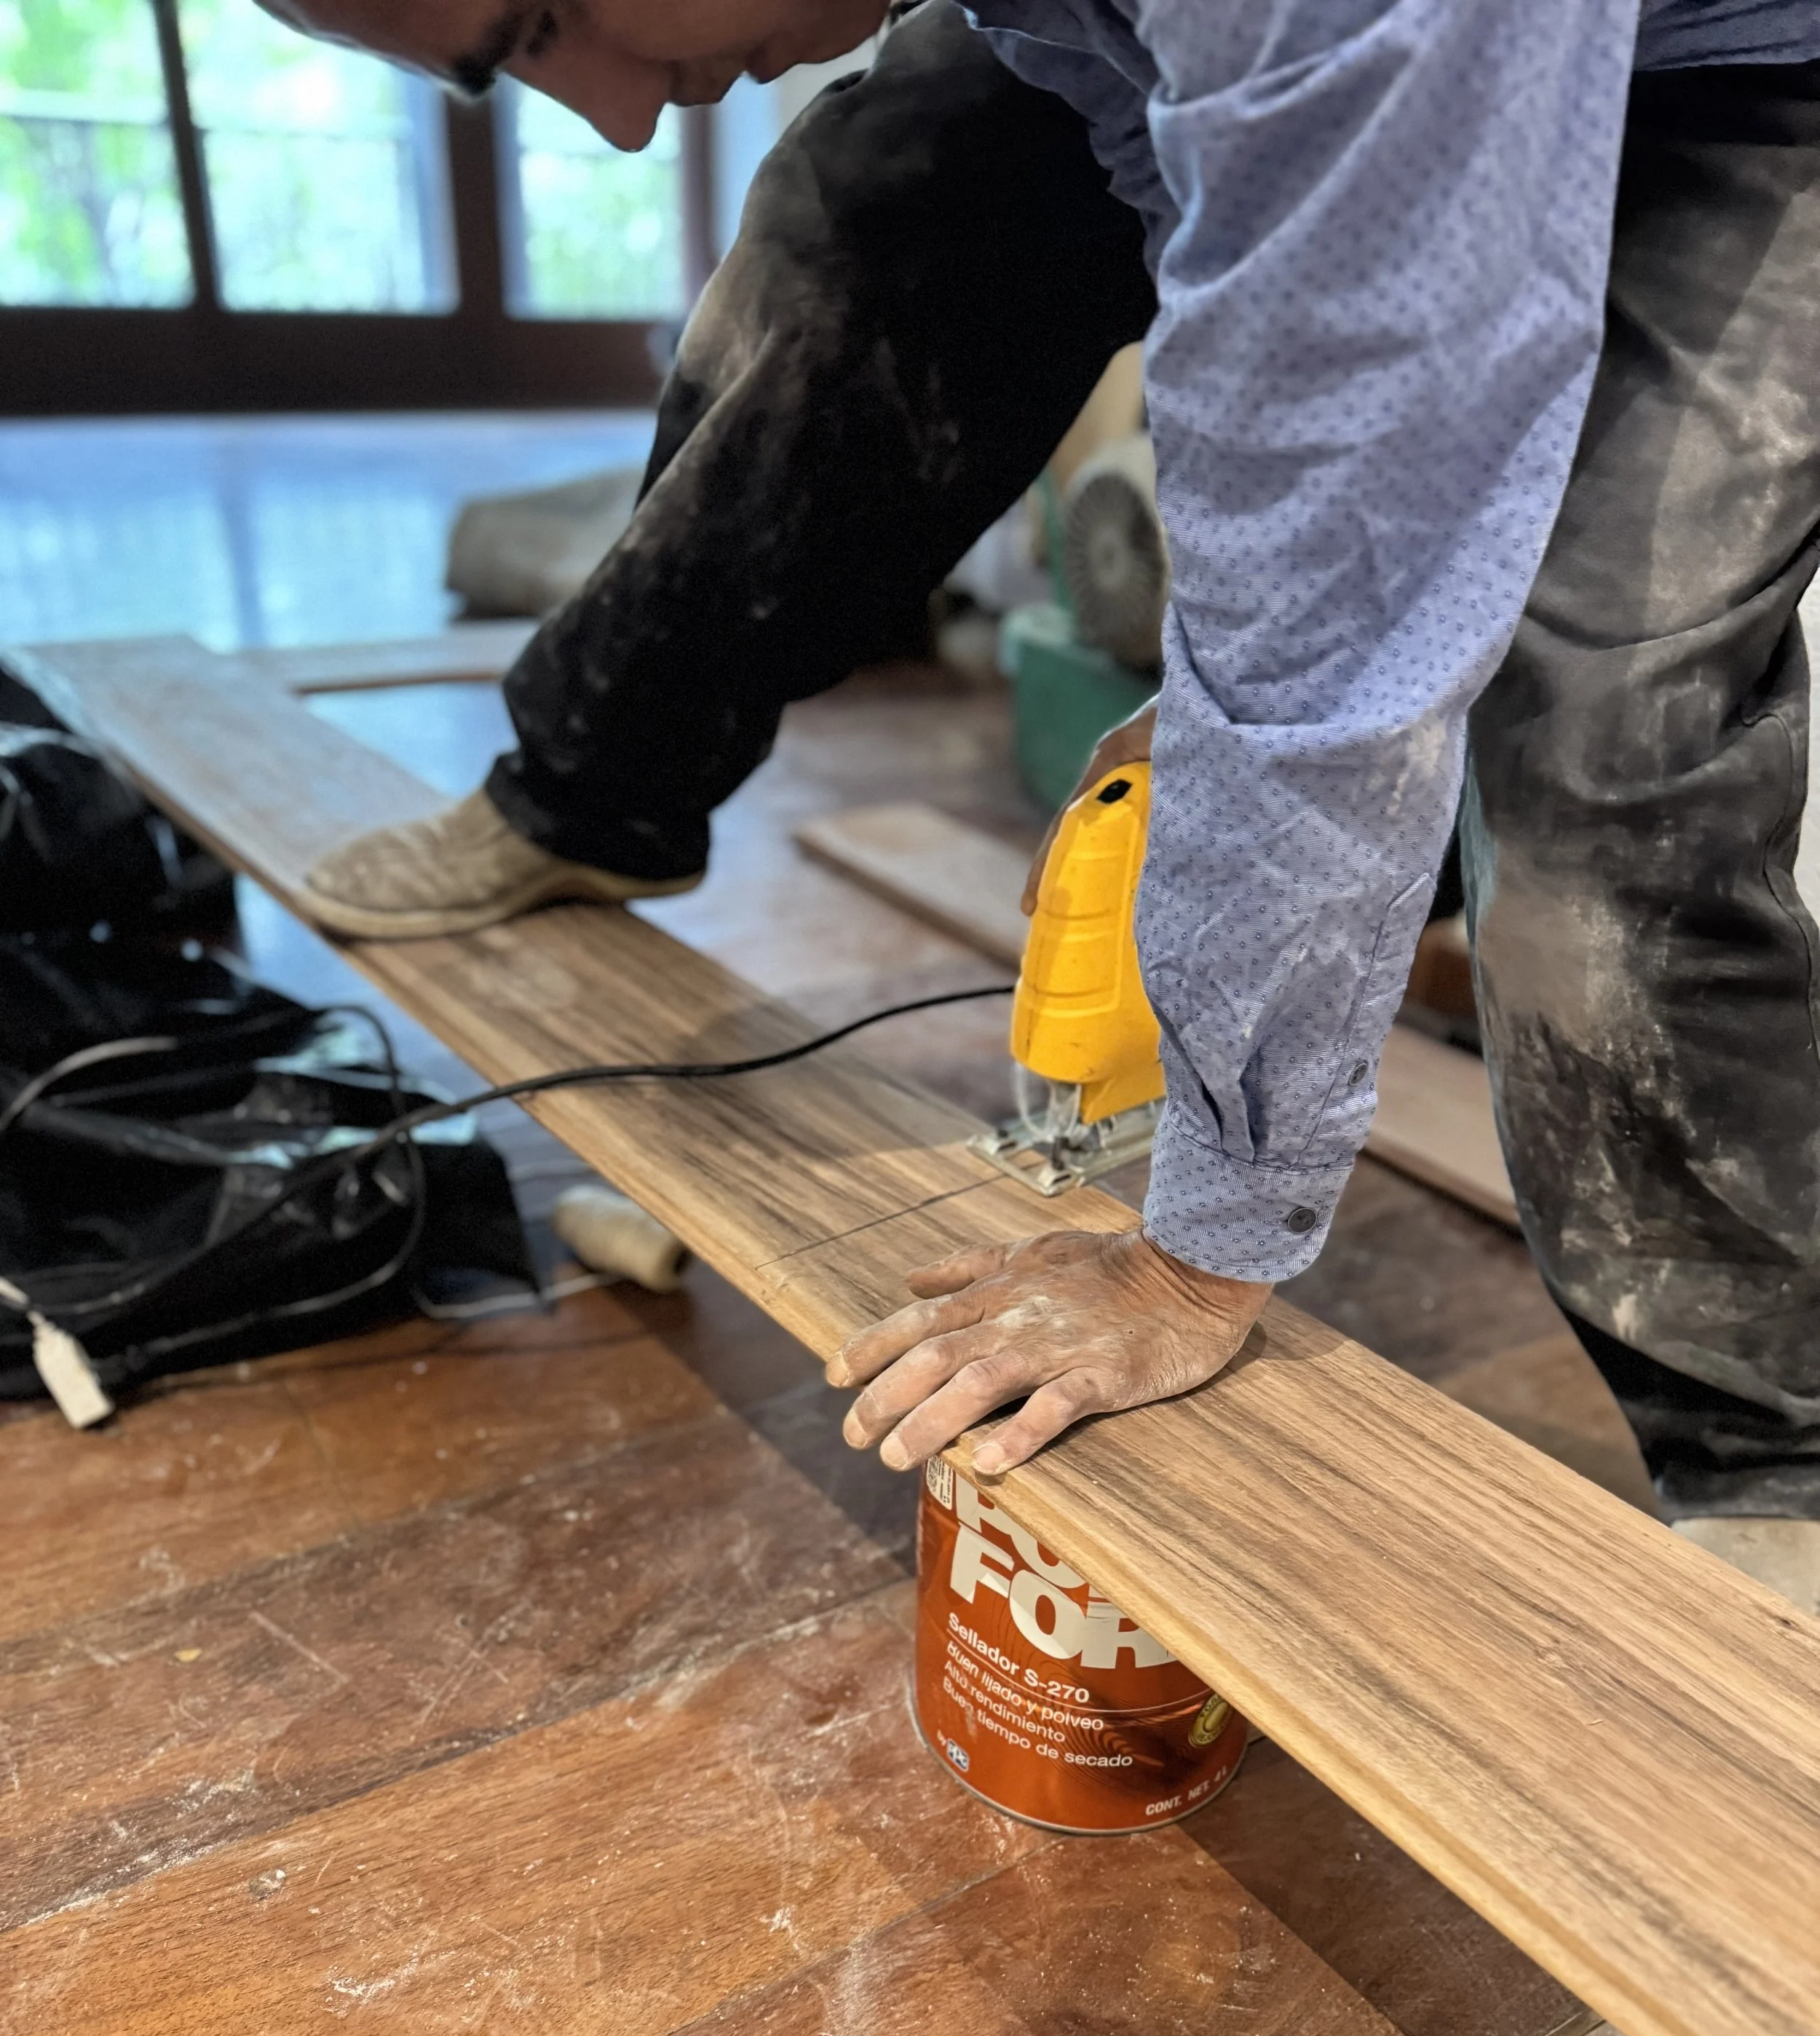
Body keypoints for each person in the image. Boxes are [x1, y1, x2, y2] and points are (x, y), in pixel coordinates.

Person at [279, 0, 1820, 1608]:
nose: (606, 118)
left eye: (542, 18)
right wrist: (1243, 644)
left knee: (1602, 714)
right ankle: (585, 791)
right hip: (1351, 59)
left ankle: (1765, 1446)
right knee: (885, 201)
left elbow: (1340, 483)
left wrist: (1195, 1253)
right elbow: (1202, 207)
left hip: (1732, 71)